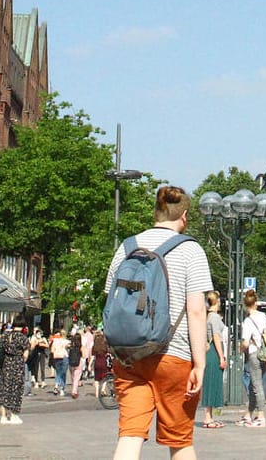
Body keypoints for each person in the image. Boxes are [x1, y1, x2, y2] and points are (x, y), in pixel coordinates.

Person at [106, 184, 211, 460]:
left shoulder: (126, 247)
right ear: (184, 216)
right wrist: (199, 364)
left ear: (156, 211)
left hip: (128, 355)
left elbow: (111, 298)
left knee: (129, 434)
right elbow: (197, 311)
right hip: (172, 355)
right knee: (179, 441)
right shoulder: (191, 250)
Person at [238, 290, 266, 427]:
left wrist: (241, 350)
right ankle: (248, 414)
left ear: (245, 305)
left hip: (254, 353)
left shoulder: (248, 320)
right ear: (256, 303)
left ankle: (261, 416)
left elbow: (245, 342)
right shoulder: (264, 316)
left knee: (256, 385)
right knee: (254, 384)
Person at [200, 292, 228, 429]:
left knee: (209, 382)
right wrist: (221, 356)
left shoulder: (206, 316)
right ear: (217, 302)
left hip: (208, 351)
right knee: (212, 383)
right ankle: (207, 418)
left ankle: (209, 417)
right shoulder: (215, 317)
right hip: (214, 352)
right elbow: (216, 337)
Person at [0, 314, 31, 425]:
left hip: (6, 364)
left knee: (4, 389)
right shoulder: (23, 338)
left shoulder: (6, 336)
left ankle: (3, 416)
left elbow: (1, 348)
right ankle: (14, 415)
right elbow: (26, 355)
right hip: (17, 365)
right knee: (16, 389)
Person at [51, 328, 71, 394]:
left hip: (57, 357)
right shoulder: (67, 341)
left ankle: (56, 385)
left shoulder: (55, 341)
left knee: (58, 372)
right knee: (63, 373)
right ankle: (62, 389)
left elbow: (52, 350)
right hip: (64, 357)